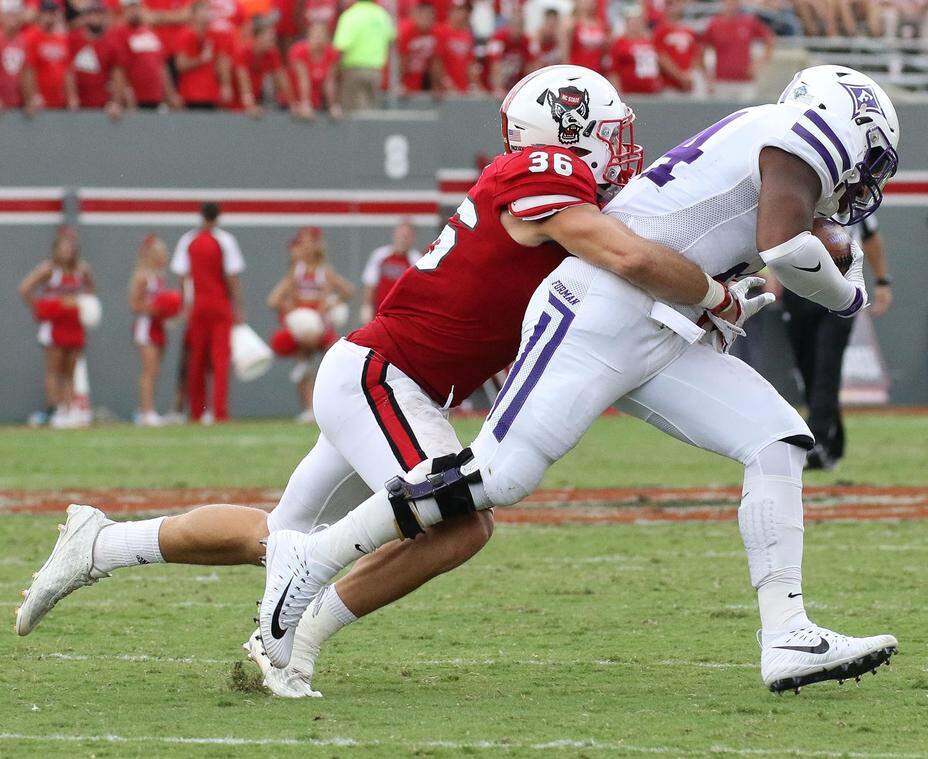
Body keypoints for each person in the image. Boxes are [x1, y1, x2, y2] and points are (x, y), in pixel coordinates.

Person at [17, 66, 751, 700]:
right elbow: (626, 255)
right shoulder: (544, 173)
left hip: (383, 375)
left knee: (279, 535)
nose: (623, 146)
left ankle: (100, 544)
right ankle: (297, 640)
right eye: (608, 129)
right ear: (565, 130)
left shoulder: (552, 189)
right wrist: (712, 297)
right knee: (459, 522)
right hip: (386, 377)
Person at [256, 65, 901, 695]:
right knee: (501, 475)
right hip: (599, 308)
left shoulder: (772, 147)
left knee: (776, 436)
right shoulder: (792, 132)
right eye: (871, 154)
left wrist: (771, 277)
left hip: (655, 323)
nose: (866, 174)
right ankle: (313, 560)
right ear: (843, 121)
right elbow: (787, 252)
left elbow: (755, 236)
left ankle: (786, 631)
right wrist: (848, 297)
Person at [776, 214, 892, 470]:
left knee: (827, 367)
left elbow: (871, 237)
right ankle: (833, 441)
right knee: (808, 369)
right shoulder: (800, 192)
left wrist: (883, 280)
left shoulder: (856, 198)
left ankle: (817, 442)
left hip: (842, 288)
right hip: (800, 288)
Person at [267, 227, 354, 422]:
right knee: (303, 359)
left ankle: (333, 407)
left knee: (333, 365)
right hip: (304, 329)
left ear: (317, 245)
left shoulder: (325, 272)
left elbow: (348, 291)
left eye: (309, 242)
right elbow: (273, 299)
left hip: (321, 327)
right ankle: (308, 409)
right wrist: (289, 308)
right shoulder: (296, 271)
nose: (305, 247)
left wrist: (333, 301)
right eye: (302, 242)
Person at [171, 202, 245, 423]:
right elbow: (231, 277)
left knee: (197, 360)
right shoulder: (225, 241)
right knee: (220, 359)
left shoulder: (188, 240)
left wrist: (185, 304)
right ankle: (219, 412)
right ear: (218, 217)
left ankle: (197, 411)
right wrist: (238, 307)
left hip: (198, 306)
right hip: (220, 304)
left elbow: (182, 276)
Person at [19, 227, 96, 429]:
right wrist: (42, 308)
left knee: (71, 369)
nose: (68, 250)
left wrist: (85, 306)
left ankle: (69, 409)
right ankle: (55, 408)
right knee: (55, 369)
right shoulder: (49, 269)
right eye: (64, 247)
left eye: (71, 246)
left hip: (74, 324)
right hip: (55, 325)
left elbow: (91, 291)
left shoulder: (82, 270)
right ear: (56, 249)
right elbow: (25, 288)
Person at [129, 235, 179, 427]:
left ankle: (148, 409)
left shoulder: (160, 277)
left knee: (156, 371)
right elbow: (134, 304)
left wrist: (170, 313)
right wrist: (156, 309)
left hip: (158, 326)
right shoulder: (142, 276)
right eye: (159, 253)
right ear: (150, 255)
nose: (163, 257)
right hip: (145, 326)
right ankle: (146, 412)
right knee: (148, 370)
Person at [108, 0, 181, 110]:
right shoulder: (119, 34)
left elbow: (162, 66)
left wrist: (171, 94)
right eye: (130, 8)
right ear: (124, 10)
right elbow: (119, 69)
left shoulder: (151, 33)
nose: (134, 11)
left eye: (136, 7)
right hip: (134, 100)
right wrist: (118, 100)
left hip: (156, 97)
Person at [702, 0, 774, 102]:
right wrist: (707, 77)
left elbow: (770, 39)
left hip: (745, 81)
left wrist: (758, 63)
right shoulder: (714, 24)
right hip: (722, 81)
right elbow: (702, 51)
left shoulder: (749, 22)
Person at [332, 0, 395, 111]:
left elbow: (341, 46)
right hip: (376, 71)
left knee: (351, 112)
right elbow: (391, 40)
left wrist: (336, 71)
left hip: (353, 70)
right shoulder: (382, 14)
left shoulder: (350, 15)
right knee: (371, 112)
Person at [173, 0, 231, 109]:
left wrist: (225, 85)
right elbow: (180, 65)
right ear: (194, 14)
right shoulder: (185, 35)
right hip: (191, 94)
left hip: (211, 93)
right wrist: (201, 59)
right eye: (204, 9)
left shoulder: (213, 35)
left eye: (209, 9)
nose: (208, 13)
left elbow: (221, 60)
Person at [20, 0, 74, 114]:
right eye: (47, 13)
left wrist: (71, 97)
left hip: (59, 102)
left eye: (53, 13)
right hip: (40, 101)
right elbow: (28, 70)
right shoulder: (31, 37)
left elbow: (67, 71)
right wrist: (31, 97)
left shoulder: (63, 39)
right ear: (40, 14)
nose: (50, 16)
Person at [67, 1, 120, 115]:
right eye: (91, 13)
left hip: (102, 105)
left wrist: (115, 102)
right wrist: (72, 97)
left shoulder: (111, 43)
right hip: (78, 106)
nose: (95, 17)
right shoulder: (73, 40)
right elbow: (68, 72)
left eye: (99, 13)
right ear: (84, 17)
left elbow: (116, 74)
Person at [360, 220, 420, 318]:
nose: (403, 239)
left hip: (403, 315)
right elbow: (370, 282)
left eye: (407, 236)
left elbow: (418, 291)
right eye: (401, 234)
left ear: (413, 238)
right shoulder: (380, 255)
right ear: (395, 234)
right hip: (379, 313)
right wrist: (366, 305)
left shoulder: (416, 260)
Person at [288, 20, 341, 117]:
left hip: (316, 101)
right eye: (316, 35)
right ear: (309, 36)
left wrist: (332, 105)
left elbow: (329, 81)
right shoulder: (299, 51)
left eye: (322, 36)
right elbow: (303, 78)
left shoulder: (332, 53)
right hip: (295, 100)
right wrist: (305, 103)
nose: (319, 39)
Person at [653, 0, 701, 95]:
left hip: (688, 84)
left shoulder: (688, 30)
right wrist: (680, 76)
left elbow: (696, 55)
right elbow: (661, 57)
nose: (675, 7)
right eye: (671, 4)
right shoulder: (661, 30)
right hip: (669, 85)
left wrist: (689, 73)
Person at [608, 9, 660, 95]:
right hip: (629, 92)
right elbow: (613, 70)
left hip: (651, 91)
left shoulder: (650, 41)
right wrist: (618, 93)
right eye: (633, 23)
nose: (635, 26)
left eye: (638, 23)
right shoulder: (619, 43)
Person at [396, 1, 440, 96]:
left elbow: (434, 63)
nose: (429, 19)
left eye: (432, 16)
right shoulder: (407, 32)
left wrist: (436, 85)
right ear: (417, 15)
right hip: (405, 83)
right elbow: (401, 61)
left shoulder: (434, 34)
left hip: (420, 82)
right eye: (426, 16)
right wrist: (399, 84)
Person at [485, 6, 530, 97]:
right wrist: (498, 88)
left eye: (520, 26)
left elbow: (531, 65)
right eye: (515, 26)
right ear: (509, 26)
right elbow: (495, 65)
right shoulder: (498, 39)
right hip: (493, 87)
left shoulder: (525, 40)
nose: (517, 30)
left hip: (513, 86)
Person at [436, 0, 476, 94]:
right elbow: (437, 62)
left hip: (463, 89)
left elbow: (470, 64)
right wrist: (446, 84)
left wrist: (474, 85)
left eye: (465, 10)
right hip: (445, 91)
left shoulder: (467, 34)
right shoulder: (440, 31)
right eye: (458, 10)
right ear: (450, 11)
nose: (463, 14)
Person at [564, 0, 608, 75]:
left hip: (596, 70)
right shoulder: (572, 23)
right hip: (576, 69)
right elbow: (565, 47)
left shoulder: (599, 23)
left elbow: (605, 49)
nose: (588, 4)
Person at [0, 0, 26, 113]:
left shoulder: (24, 40)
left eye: (15, 14)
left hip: (17, 104)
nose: (13, 18)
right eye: (9, 14)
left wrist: (28, 99)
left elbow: (27, 72)